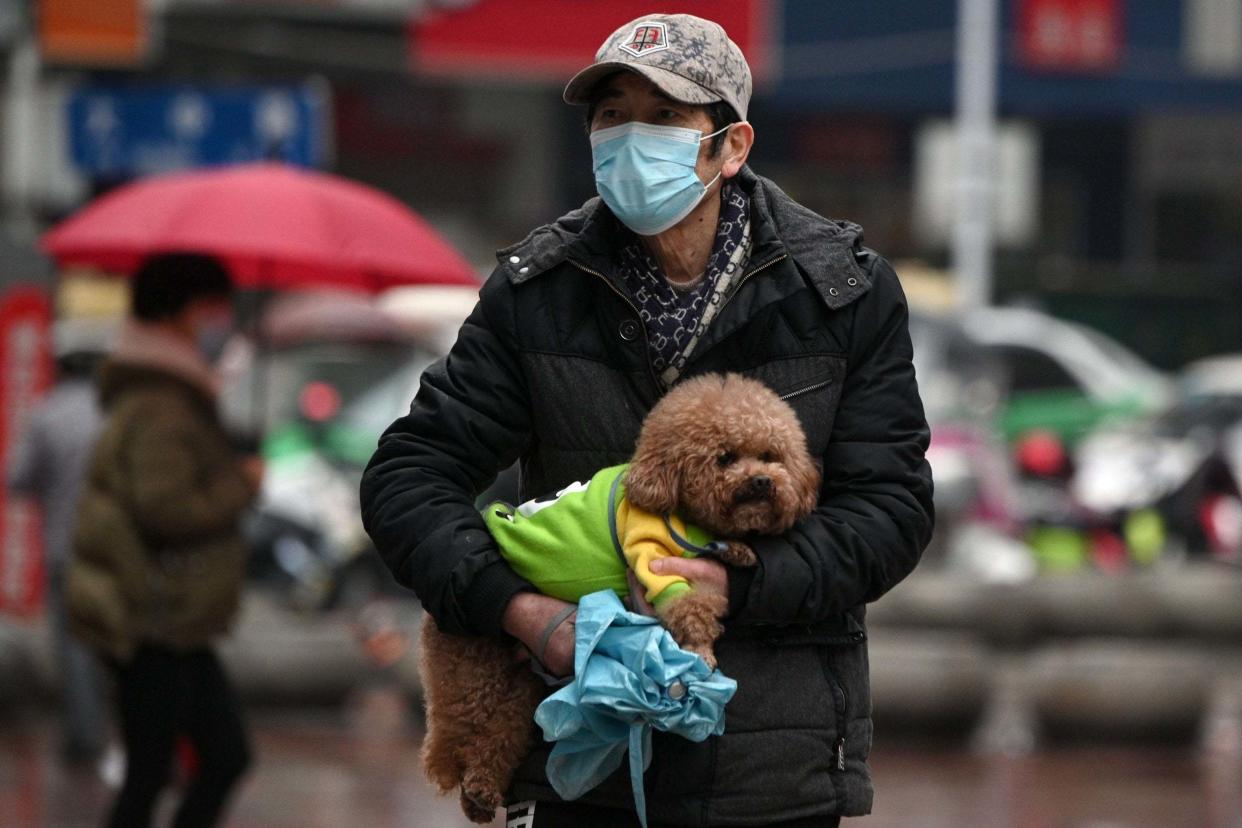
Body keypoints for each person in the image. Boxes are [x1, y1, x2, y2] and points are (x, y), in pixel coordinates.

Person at [362, 13, 934, 828]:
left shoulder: (840, 293)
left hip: (772, 770)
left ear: (730, 146)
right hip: (584, 757)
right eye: (611, 115)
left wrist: (743, 584)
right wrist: (524, 613)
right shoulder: (538, 293)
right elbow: (407, 479)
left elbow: (892, 509)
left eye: (666, 118)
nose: (631, 138)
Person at [69, 253, 260, 828]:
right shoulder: (163, 403)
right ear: (178, 312)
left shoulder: (169, 389)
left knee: (212, 758)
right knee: (166, 769)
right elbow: (166, 510)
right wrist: (240, 484)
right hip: (154, 618)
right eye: (212, 307)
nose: (220, 321)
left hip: (172, 619)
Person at [7, 319, 111, 764]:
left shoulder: (47, 413)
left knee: (74, 648)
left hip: (65, 549)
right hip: (118, 553)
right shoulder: (119, 413)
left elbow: (17, 478)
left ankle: (85, 738)